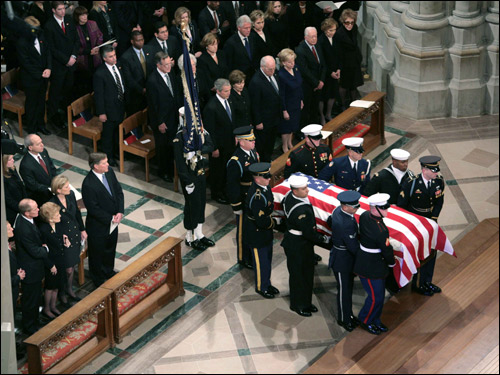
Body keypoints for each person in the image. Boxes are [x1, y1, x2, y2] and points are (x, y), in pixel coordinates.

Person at [281, 175, 330, 317]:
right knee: (300, 275)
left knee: (305, 274)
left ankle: (306, 302)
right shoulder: (301, 211)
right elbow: (308, 233)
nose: (307, 191)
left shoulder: (289, 196)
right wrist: (324, 239)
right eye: (304, 189)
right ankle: (298, 305)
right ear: (295, 191)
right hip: (299, 245)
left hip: (296, 241)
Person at [398, 156, 445, 296]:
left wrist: (434, 219)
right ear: (424, 170)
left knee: (431, 252)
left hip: (430, 221)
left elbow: (439, 202)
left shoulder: (438, 182)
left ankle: (427, 282)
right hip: (415, 222)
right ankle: (417, 284)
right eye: (433, 170)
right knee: (419, 253)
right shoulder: (411, 183)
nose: (436, 173)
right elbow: (401, 206)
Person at [354, 193, 396, 335]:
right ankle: (366, 320)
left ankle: (375, 319)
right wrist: (392, 263)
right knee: (376, 296)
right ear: (374, 209)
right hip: (371, 266)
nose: (386, 210)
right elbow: (387, 249)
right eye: (383, 208)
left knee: (379, 295)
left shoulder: (366, 216)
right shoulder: (381, 231)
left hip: (368, 260)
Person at [81, 152, 124, 287]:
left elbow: (118, 191)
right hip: (98, 225)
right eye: (104, 163)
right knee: (97, 252)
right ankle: (97, 278)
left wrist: (120, 211)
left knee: (110, 247)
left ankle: (108, 271)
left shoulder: (109, 172)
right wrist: (110, 218)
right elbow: (93, 208)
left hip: (113, 221)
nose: (108, 164)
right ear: (96, 166)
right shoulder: (88, 184)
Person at [14, 199, 54, 335]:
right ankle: (29, 326)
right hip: (30, 270)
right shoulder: (23, 228)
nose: (39, 210)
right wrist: (47, 248)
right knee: (30, 300)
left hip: (35, 267)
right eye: (35, 209)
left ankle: (35, 320)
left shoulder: (27, 220)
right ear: (26, 213)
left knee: (36, 297)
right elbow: (35, 251)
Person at [173, 124, 214, 252]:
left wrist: (197, 149)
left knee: (201, 203)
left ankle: (199, 234)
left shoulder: (200, 132)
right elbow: (180, 164)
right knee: (192, 206)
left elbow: (211, 145)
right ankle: (190, 237)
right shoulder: (179, 138)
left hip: (199, 171)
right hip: (189, 177)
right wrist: (187, 182)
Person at [244, 162, 280, 298]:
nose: (269, 178)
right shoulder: (257, 196)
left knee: (267, 260)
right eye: (266, 176)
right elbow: (261, 221)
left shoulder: (264, 188)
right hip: (257, 233)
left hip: (264, 232)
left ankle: (267, 283)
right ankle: (262, 286)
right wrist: (274, 223)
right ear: (257, 178)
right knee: (261, 262)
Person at [327, 190, 361, 332]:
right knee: (344, 291)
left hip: (344, 256)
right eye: (355, 207)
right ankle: (344, 319)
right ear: (345, 206)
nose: (357, 208)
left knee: (348, 288)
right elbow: (352, 246)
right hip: (342, 260)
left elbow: (329, 221)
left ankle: (349, 315)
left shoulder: (339, 211)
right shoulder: (345, 222)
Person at [226, 126, 259, 269]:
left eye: (253, 139)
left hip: (253, 196)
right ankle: (243, 257)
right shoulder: (236, 160)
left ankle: (251, 253)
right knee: (242, 230)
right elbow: (232, 185)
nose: (253, 142)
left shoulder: (253, 153)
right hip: (244, 198)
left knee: (252, 228)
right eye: (250, 140)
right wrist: (236, 205)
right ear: (241, 142)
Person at [50, 175, 86, 304]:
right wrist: (62, 237)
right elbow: (52, 225)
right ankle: (62, 292)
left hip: (74, 234)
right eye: (66, 186)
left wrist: (82, 229)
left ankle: (69, 289)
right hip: (63, 238)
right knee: (67, 268)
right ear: (58, 190)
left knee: (72, 265)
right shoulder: (52, 203)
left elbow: (77, 214)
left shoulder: (70, 196)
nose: (69, 188)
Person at [146, 51, 182, 182]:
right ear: (158, 65)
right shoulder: (152, 81)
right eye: (166, 65)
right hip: (162, 120)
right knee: (163, 147)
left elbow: (175, 93)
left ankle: (172, 168)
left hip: (173, 115)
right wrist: (159, 122)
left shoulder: (170, 73)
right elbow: (153, 105)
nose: (169, 67)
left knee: (172, 144)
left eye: (169, 64)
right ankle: (164, 171)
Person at [44, 1, 79, 130]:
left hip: (71, 63)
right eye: (59, 9)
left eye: (64, 9)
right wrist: (66, 60)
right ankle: (54, 118)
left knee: (68, 91)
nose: (63, 12)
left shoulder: (69, 20)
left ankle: (65, 115)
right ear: (53, 10)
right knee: (56, 93)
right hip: (59, 65)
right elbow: (51, 48)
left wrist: (74, 56)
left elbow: (76, 40)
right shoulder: (49, 26)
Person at [16, 16, 52, 135]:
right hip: (31, 78)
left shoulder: (40, 36)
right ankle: (32, 128)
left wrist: (48, 68)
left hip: (43, 76)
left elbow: (47, 53)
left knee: (41, 102)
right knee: (32, 103)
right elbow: (26, 63)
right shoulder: (22, 42)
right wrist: (40, 74)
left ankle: (41, 125)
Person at [203, 78, 235, 204]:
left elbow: (232, 120)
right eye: (226, 91)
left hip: (229, 142)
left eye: (229, 90)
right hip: (218, 146)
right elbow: (210, 130)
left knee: (226, 168)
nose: (229, 93)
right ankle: (217, 193)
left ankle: (225, 189)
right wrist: (214, 148)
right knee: (218, 170)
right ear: (218, 91)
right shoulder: (211, 107)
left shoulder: (229, 100)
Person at [93, 45, 126, 166]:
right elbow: (99, 95)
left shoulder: (118, 65)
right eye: (111, 57)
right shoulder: (100, 73)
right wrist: (101, 112)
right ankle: (109, 156)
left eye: (114, 55)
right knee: (108, 134)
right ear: (104, 58)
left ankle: (117, 151)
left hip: (120, 104)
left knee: (117, 131)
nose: (114, 58)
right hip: (108, 108)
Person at [38, 202, 70, 319]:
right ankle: (47, 308)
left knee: (57, 284)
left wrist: (65, 239)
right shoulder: (43, 230)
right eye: (57, 214)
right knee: (50, 286)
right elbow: (43, 251)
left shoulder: (58, 224)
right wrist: (51, 265)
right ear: (50, 218)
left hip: (60, 258)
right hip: (51, 262)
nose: (60, 216)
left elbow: (61, 236)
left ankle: (53, 306)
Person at [249, 55, 281, 162]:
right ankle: (264, 162)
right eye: (270, 69)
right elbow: (255, 104)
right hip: (264, 120)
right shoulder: (256, 82)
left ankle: (268, 158)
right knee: (264, 144)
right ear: (262, 67)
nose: (273, 71)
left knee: (271, 141)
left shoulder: (274, 74)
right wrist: (258, 121)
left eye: (274, 68)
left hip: (274, 117)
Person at [295, 26, 326, 130]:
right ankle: (304, 131)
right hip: (308, 85)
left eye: (316, 36)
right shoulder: (300, 50)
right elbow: (304, 71)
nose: (314, 39)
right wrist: (316, 83)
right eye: (312, 37)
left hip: (318, 84)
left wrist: (321, 81)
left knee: (315, 108)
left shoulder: (317, 45)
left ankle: (315, 129)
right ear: (305, 37)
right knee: (306, 110)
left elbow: (322, 64)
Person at [120, 30, 155, 116]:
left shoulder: (150, 49)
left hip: (150, 91)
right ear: (132, 41)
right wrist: (141, 90)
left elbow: (154, 68)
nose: (141, 42)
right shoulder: (126, 57)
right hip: (135, 95)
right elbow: (128, 79)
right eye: (138, 40)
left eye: (142, 39)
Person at [335, 9, 363, 110]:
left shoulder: (354, 28)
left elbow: (355, 43)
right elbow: (338, 52)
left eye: (352, 22)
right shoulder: (339, 34)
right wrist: (339, 67)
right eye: (347, 22)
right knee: (344, 85)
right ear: (343, 22)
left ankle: (353, 104)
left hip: (354, 61)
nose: (349, 25)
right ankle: (343, 105)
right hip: (345, 63)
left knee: (354, 84)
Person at [19, 134, 58, 207]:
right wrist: (49, 189)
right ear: (30, 147)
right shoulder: (25, 165)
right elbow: (32, 185)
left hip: (52, 190)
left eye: (41, 142)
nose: (42, 145)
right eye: (38, 144)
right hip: (40, 197)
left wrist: (56, 182)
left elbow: (51, 168)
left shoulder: (44, 152)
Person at [277, 48, 303, 153]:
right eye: (289, 62)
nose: (292, 63)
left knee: (293, 125)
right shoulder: (281, 75)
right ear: (283, 62)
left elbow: (300, 85)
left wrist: (301, 99)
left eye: (293, 61)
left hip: (296, 102)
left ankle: (290, 143)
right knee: (286, 127)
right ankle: (284, 146)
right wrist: (284, 110)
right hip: (287, 105)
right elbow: (281, 94)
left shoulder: (296, 68)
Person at [73, 5, 103, 98]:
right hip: (82, 61)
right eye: (82, 15)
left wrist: (98, 46)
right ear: (77, 17)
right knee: (85, 86)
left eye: (86, 14)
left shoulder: (92, 23)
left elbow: (100, 36)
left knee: (97, 82)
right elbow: (73, 47)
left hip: (95, 58)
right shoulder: (74, 28)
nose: (85, 17)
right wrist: (87, 51)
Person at [197, 33, 229, 111]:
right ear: (206, 46)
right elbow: (206, 78)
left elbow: (226, 70)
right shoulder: (202, 59)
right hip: (212, 91)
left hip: (225, 87)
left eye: (216, 44)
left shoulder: (221, 54)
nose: (215, 46)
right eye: (212, 44)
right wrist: (218, 88)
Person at [224, 15, 259, 83]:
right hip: (239, 79)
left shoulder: (253, 37)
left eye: (249, 27)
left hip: (254, 75)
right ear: (239, 28)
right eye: (245, 28)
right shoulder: (230, 43)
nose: (248, 30)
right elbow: (229, 64)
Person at [318, 18, 340, 123]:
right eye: (331, 30)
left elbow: (339, 55)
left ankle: (328, 114)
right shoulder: (321, 40)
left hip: (335, 71)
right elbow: (322, 60)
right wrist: (330, 72)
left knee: (332, 94)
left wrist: (338, 69)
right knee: (323, 96)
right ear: (325, 30)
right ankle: (322, 116)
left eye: (334, 30)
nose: (333, 32)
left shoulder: (336, 39)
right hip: (325, 73)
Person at [3, 154, 28, 226]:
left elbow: (21, 185)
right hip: (13, 210)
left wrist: (25, 201)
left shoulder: (12, 169)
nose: (13, 160)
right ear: (4, 162)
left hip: (22, 203)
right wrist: (21, 208)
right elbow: (8, 199)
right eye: (10, 159)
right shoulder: (3, 179)